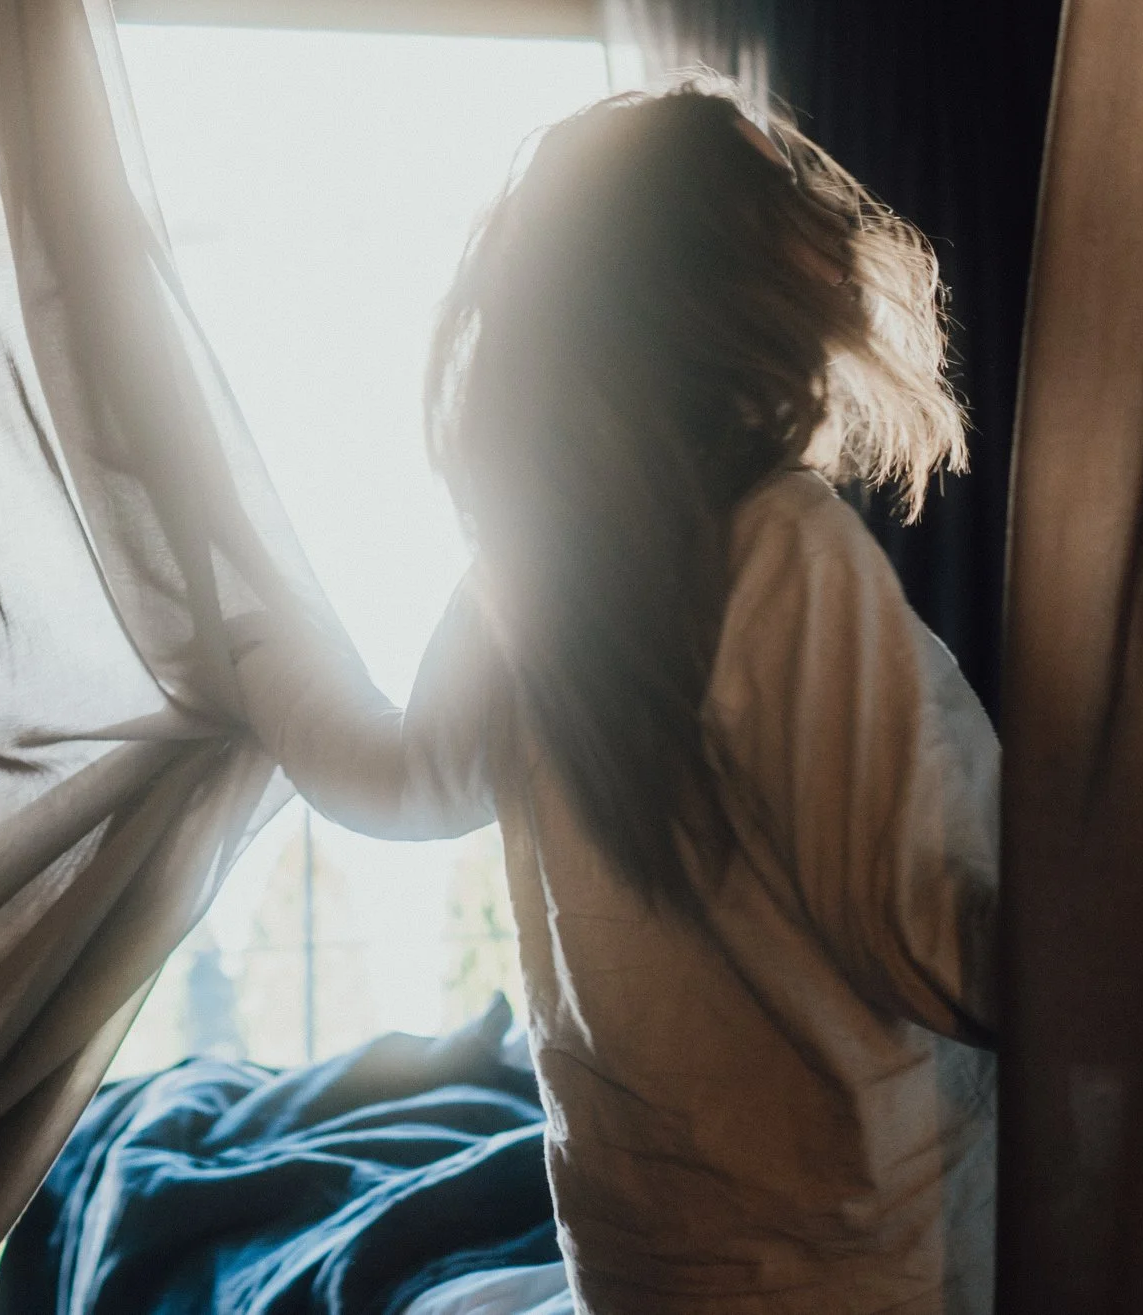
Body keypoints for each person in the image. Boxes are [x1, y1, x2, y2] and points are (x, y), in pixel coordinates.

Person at [228, 83, 999, 1315]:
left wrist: (243, 641)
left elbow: (398, 782)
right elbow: (936, 942)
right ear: (735, 284)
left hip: (641, 1257)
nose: (833, 213)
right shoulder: (784, 550)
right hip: (854, 1265)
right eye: (788, 194)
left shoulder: (533, 568)